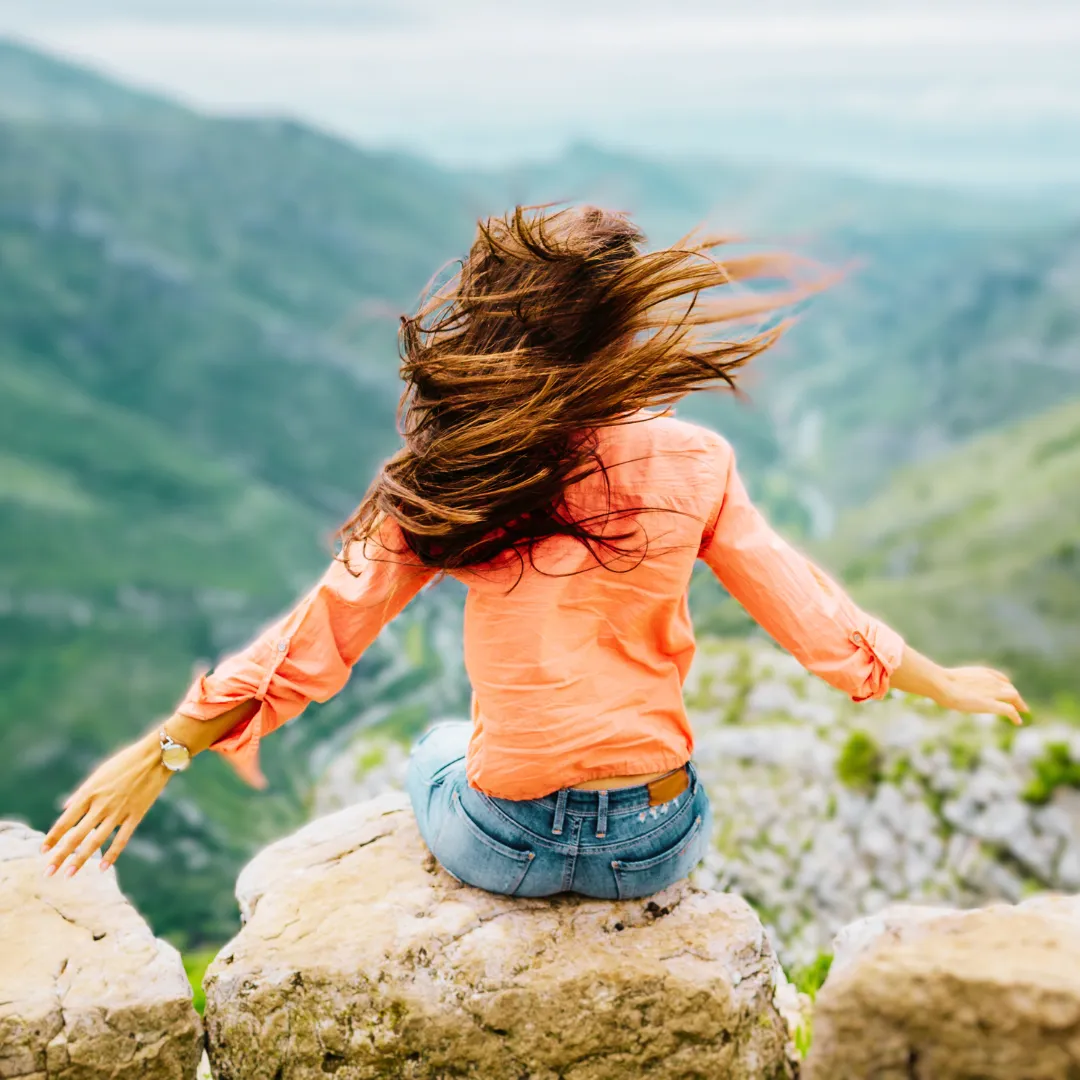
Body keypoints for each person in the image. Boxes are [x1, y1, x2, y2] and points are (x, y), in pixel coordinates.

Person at [41, 205, 1028, 897]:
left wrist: (166, 748)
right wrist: (946, 683)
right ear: (620, 327)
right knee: (620, 763)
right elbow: (814, 619)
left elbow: (317, 636)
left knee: (437, 747)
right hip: (654, 843)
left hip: (502, 842)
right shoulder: (695, 461)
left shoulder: (462, 473)